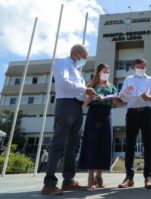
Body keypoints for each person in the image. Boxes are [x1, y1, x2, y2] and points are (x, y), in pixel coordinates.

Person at [41, 44, 97, 195]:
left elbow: (78, 92)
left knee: (72, 145)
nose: (84, 60)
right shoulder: (62, 63)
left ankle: (68, 181)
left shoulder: (78, 71)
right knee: (58, 143)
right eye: (84, 57)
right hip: (65, 105)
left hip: (77, 107)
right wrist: (85, 89)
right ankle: (49, 183)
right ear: (76, 54)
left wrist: (89, 97)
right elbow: (62, 82)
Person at [78, 64, 122, 189]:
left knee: (104, 143)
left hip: (107, 115)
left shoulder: (112, 87)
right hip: (93, 115)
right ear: (98, 72)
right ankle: (90, 176)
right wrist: (90, 99)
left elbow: (117, 103)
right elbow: (84, 104)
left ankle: (99, 175)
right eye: (104, 71)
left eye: (108, 72)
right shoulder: (90, 86)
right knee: (92, 143)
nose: (106, 73)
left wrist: (116, 100)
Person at [118, 58, 151, 189]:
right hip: (132, 113)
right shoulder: (128, 79)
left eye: (142, 67)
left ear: (146, 67)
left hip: (147, 113)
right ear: (134, 67)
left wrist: (149, 98)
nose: (140, 69)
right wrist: (126, 92)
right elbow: (121, 97)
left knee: (148, 145)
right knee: (130, 145)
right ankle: (129, 177)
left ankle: (148, 177)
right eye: (138, 67)